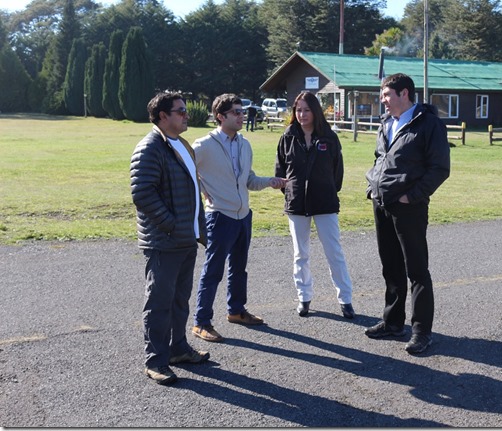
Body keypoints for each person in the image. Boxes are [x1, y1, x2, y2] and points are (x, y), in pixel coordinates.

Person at [365, 73, 450, 355]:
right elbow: (381, 158)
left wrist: (410, 195)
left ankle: (422, 332)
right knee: (390, 267)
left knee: (417, 270)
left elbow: (439, 168)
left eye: (387, 95)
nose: (383, 101)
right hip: (382, 203)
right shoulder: (386, 123)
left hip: (409, 207)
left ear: (404, 94)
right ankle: (392, 323)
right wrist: (372, 187)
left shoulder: (429, 124)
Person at [192, 93, 287, 343]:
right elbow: (184, 171)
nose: (242, 116)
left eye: (242, 111)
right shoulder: (203, 145)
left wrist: (271, 182)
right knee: (213, 271)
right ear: (220, 117)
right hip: (219, 217)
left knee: (238, 269)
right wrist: (202, 190)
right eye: (236, 112)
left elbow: (249, 180)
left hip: (243, 216)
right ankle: (201, 322)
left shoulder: (244, 144)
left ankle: (236, 311)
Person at [130, 91, 210, 385]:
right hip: (164, 241)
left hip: (185, 240)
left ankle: (178, 350)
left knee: (179, 301)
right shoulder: (150, 148)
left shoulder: (181, 145)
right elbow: (142, 194)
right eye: (180, 111)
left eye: (185, 110)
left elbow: (192, 190)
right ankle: (155, 361)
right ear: (163, 116)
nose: (186, 115)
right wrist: (172, 225)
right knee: (159, 304)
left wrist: (194, 229)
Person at [275, 91, 355, 319]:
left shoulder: (329, 137)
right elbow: (280, 170)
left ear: (315, 111)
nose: (301, 114)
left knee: (334, 253)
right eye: (298, 110)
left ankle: (345, 299)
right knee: (300, 255)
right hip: (297, 205)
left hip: (325, 203)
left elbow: (337, 173)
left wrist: (327, 191)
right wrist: (291, 192)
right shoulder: (288, 136)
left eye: (306, 110)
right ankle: (304, 297)